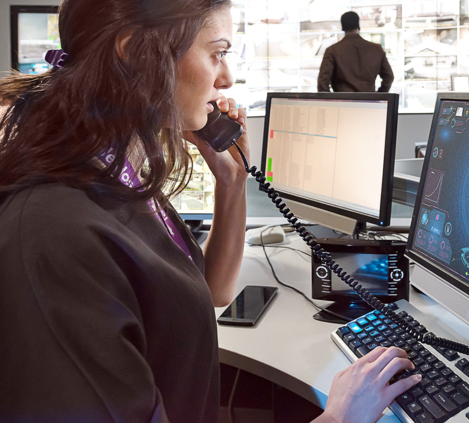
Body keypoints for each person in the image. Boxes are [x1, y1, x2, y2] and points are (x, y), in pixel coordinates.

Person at [0, 0, 420, 422]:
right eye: (217, 53)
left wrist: (232, 182)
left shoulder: (120, 177)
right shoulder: (53, 235)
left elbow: (207, 292)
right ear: (135, 54)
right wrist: (339, 418)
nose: (227, 78)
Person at [317, 11, 394, 93]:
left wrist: (332, 102)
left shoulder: (332, 51)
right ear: (358, 26)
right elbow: (389, 77)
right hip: (369, 103)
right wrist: (378, 96)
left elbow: (322, 83)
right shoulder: (376, 49)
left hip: (342, 104)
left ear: (342, 27)